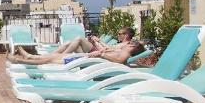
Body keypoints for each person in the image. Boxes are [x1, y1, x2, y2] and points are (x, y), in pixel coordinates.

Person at [10, 26, 144, 66]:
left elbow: (120, 60)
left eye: (133, 44)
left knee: (51, 60)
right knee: (53, 58)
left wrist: (102, 53)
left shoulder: (127, 50)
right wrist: (102, 50)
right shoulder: (125, 48)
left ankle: (23, 59)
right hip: (89, 58)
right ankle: (28, 57)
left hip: (91, 61)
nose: (131, 44)